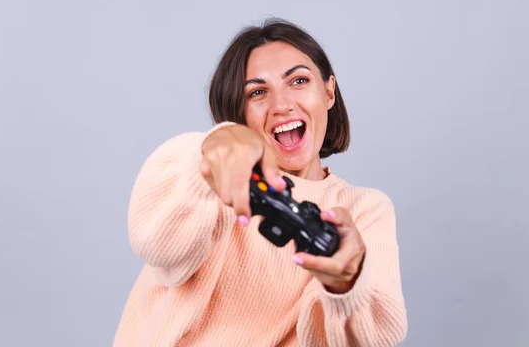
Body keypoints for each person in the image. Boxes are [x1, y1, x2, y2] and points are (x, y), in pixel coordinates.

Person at [113, 18, 408, 346]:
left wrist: (346, 286)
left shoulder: (365, 209)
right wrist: (214, 150)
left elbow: (373, 335)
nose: (281, 105)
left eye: (298, 80)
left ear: (328, 92)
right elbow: (158, 243)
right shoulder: (215, 182)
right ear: (240, 114)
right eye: (257, 92)